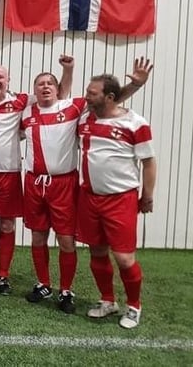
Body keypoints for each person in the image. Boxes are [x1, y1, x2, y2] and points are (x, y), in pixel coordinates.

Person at [21, 56, 152, 314]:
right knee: (38, 236)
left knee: (66, 240)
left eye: (50, 83)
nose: (45, 87)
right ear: (34, 90)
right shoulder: (26, 112)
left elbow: (108, 100)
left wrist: (135, 86)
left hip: (64, 183)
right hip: (35, 183)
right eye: (40, 84)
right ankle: (43, 283)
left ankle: (66, 289)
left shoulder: (74, 109)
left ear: (58, 89)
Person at [0, 63, 71, 295]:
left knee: (7, 224)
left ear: (8, 80)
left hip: (9, 174)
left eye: (0, 77)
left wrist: (67, 72)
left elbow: (58, 94)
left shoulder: (21, 101)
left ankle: (3, 275)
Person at [78, 71, 156, 329]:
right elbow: (107, 102)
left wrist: (147, 195)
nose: (86, 96)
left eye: (92, 93)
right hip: (89, 197)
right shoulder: (87, 118)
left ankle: (134, 307)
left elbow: (148, 162)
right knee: (97, 251)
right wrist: (134, 85)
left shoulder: (136, 123)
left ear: (109, 97)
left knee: (124, 258)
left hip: (121, 199)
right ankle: (107, 301)